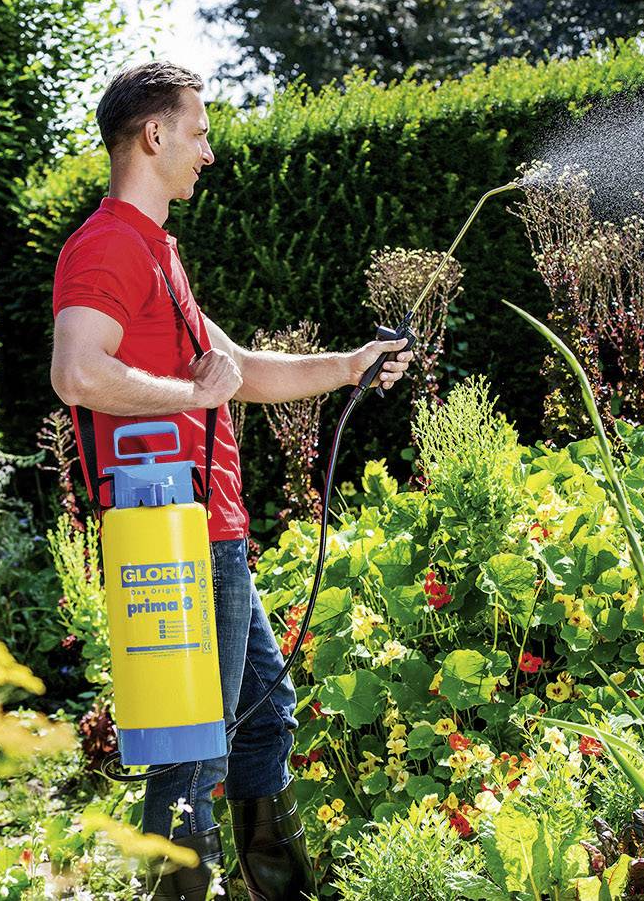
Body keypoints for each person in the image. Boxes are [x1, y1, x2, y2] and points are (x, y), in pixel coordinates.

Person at [49, 61, 414, 901]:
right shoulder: (106, 247)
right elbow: (77, 373)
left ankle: (282, 891)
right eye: (200, 132)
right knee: (189, 754)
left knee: (261, 729)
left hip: (213, 533)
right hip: (171, 536)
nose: (208, 152)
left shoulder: (155, 251)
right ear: (154, 136)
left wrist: (351, 366)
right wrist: (190, 394)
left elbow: (238, 370)